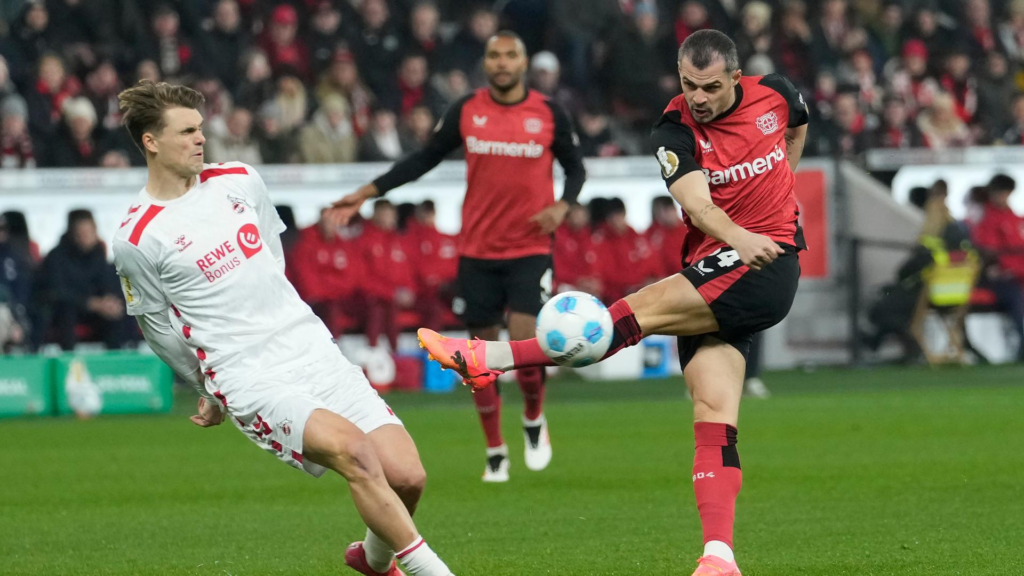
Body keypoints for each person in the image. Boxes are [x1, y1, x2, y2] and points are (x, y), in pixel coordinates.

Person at [418, 30, 808, 576]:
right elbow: (696, 202)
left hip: (765, 266)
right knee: (713, 413)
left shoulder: (775, 93)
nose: (698, 97)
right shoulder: (674, 129)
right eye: (689, 84)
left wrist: (782, 190)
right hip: (723, 260)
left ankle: (491, 360)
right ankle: (720, 556)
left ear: (737, 80)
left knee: (634, 312)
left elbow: (798, 119)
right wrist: (738, 235)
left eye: (711, 87)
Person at [111, 80, 455, 576]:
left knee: (408, 477)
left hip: (312, 349)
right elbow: (158, 328)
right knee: (355, 453)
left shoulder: (239, 179)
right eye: (186, 132)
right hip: (249, 375)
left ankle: (374, 562)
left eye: (200, 129)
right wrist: (207, 385)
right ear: (151, 141)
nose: (200, 139)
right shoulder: (137, 237)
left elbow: (272, 255)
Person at [330, 31, 586, 483]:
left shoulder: (548, 113)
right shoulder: (467, 110)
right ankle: (494, 448)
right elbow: (423, 158)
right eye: (494, 56)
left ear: (523, 63)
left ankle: (532, 417)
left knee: (526, 345)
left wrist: (564, 204)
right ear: (485, 63)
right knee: (478, 356)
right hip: (477, 252)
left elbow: (577, 166)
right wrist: (367, 192)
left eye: (510, 55)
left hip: (529, 249)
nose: (502, 63)